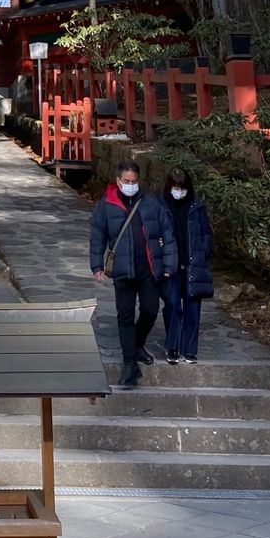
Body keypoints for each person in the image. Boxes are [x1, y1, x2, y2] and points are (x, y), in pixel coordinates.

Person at [90, 160, 178, 390]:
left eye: (134, 181)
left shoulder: (152, 204)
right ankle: (129, 364)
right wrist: (96, 266)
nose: (130, 185)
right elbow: (98, 236)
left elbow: (167, 235)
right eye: (126, 181)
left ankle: (138, 343)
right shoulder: (106, 205)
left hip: (148, 268)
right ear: (118, 181)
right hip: (122, 269)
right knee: (125, 316)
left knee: (150, 310)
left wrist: (169, 264)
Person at [161, 166, 214, 364]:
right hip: (171, 265)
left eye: (182, 187)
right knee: (173, 305)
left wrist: (203, 252)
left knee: (193, 307)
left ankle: (189, 350)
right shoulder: (162, 207)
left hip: (193, 264)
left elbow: (206, 233)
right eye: (175, 187)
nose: (179, 191)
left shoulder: (196, 207)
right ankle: (173, 346)